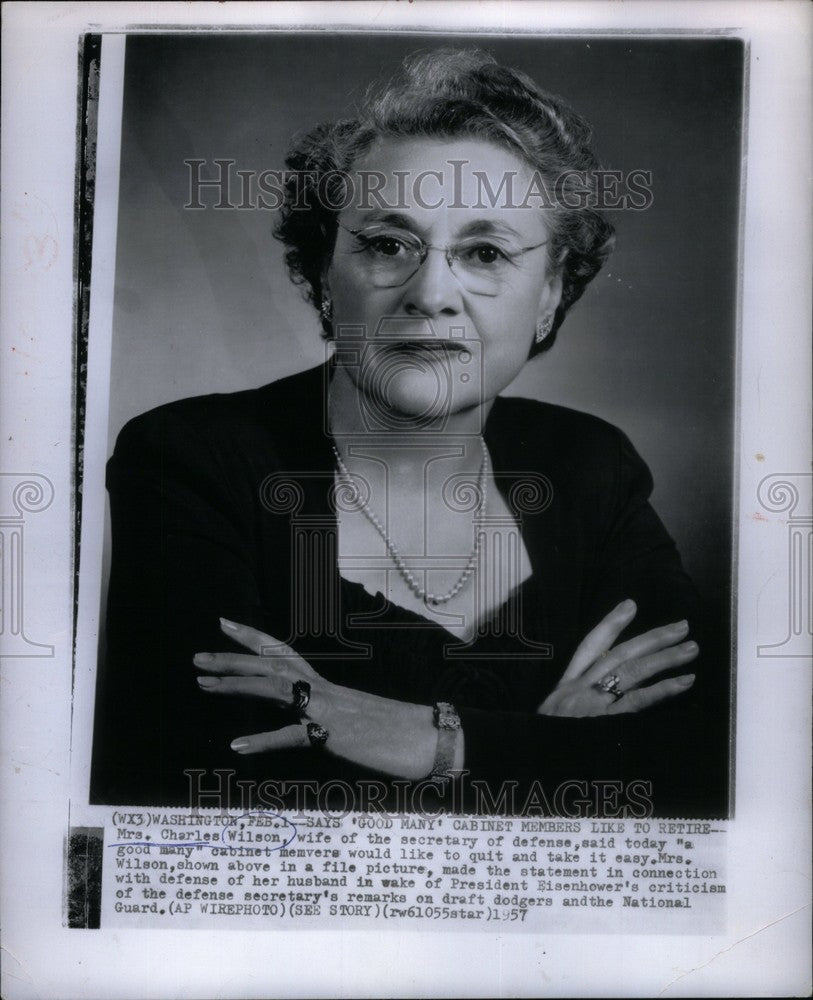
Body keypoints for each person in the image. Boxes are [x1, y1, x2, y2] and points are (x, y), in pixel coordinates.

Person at [90, 49, 728, 817]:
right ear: (322, 272)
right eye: (387, 244)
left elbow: (700, 766)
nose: (431, 294)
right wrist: (551, 743)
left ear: (551, 294)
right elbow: (220, 778)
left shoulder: (589, 464)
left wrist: (430, 741)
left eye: (485, 253)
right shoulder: (192, 457)